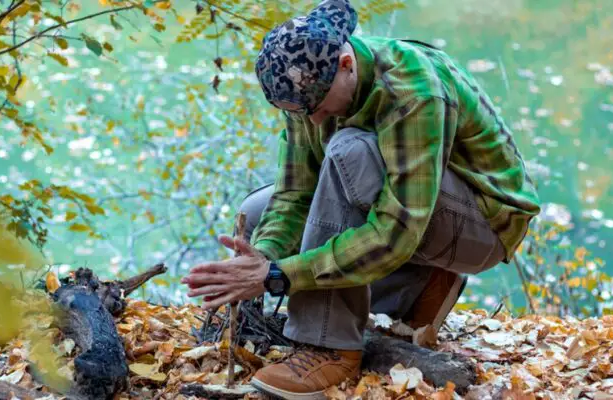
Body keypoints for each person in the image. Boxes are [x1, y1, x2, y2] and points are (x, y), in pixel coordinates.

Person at [181, 0, 541, 398]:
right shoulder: (306, 89)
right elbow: (295, 194)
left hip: (484, 223)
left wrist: (280, 276)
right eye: (297, 112)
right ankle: (418, 286)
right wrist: (262, 258)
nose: (312, 120)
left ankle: (330, 346)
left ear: (346, 64)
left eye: (315, 107)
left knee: (348, 152)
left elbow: (397, 231)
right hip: (417, 209)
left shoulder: (412, 89)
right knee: (257, 211)